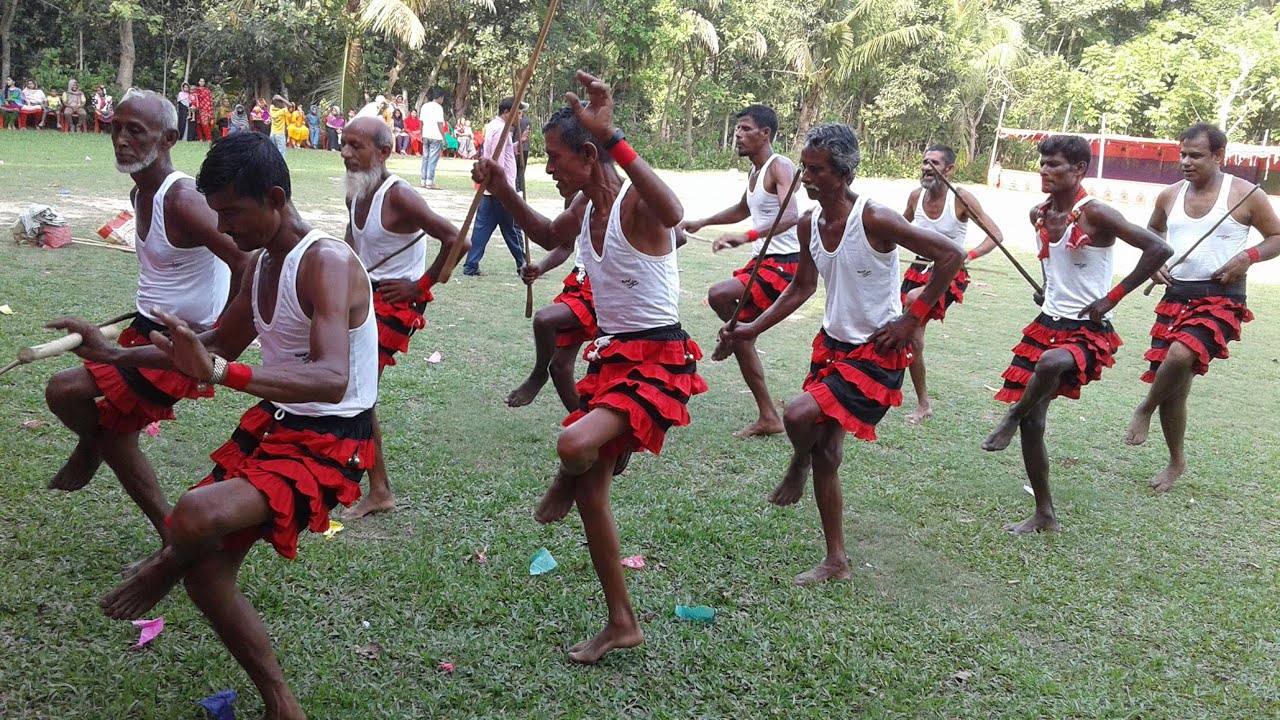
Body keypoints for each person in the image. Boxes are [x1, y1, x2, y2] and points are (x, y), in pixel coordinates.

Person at [52, 131, 377, 720]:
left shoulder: (326, 262)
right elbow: (215, 346)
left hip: (334, 441)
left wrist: (222, 371)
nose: (223, 230)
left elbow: (331, 378)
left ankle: (164, 563)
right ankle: (281, 701)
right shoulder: (259, 265)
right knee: (206, 577)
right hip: (278, 427)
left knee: (193, 518)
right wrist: (113, 353)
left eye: (232, 213)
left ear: (275, 197)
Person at [472, 71, 706, 664]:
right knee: (596, 494)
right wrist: (501, 186)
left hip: (658, 358)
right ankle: (622, 622)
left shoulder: (637, 205)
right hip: (614, 357)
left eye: (554, 157)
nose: (548, 167)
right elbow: (547, 232)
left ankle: (570, 473)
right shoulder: (582, 206)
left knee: (574, 444)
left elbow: (674, 208)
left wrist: (617, 136)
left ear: (588, 153)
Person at [718, 124, 962, 584]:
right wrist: (748, 328)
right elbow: (801, 288)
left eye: (816, 171)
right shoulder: (811, 222)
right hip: (832, 346)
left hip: (878, 351)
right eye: (804, 168)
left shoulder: (876, 218)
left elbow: (951, 255)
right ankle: (836, 560)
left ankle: (797, 462)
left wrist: (912, 319)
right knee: (828, 451)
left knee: (797, 416)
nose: (805, 179)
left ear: (844, 172)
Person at [43, 89, 245, 545]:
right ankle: (166, 528)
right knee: (86, 410)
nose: (120, 140)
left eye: (136, 131)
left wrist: (217, 334)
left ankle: (174, 538)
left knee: (71, 396)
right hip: (146, 329)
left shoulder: (183, 199)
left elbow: (247, 263)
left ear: (170, 138)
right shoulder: (141, 193)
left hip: (182, 340)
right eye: (116, 128)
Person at [982, 134, 1172, 534]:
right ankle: (1045, 515)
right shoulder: (1038, 213)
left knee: (1048, 368)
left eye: (1054, 164)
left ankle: (1012, 416)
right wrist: (1048, 288)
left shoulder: (1096, 213)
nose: (1044, 170)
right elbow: (1061, 264)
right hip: (1048, 324)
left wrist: (1113, 297)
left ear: (1079, 169)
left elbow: (1157, 248)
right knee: (1037, 426)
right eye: (1042, 164)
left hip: (1088, 330)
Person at [1125, 123, 1280, 492]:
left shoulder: (1245, 195)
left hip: (1222, 297)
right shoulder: (1169, 195)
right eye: (1182, 154)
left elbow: (1277, 236)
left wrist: (1249, 256)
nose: (1185, 162)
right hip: (1176, 295)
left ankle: (1143, 408)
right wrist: (1156, 259)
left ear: (1218, 157)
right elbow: (1153, 233)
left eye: (1196, 155)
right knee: (1175, 390)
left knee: (1178, 356)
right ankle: (1176, 461)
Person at [339, 117, 462, 519]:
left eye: (357, 147)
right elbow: (350, 244)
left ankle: (379, 489)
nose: (346, 154)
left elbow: (458, 239)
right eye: (344, 144)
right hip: (363, 298)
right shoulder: (355, 193)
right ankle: (360, 473)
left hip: (396, 306)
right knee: (350, 384)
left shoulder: (400, 196)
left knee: (359, 386)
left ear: (384, 153)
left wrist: (419, 285)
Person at [681, 104, 800, 437]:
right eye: (737, 129)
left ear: (765, 134)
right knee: (741, 335)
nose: (738, 135)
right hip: (764, 260)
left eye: (746, 129)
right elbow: (742, 208)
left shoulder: (780, 167)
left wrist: (745, 236)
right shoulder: (754, 172)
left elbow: (791, 215)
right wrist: (703, 221)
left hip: (785, 262)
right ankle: (768, 416)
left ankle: (734, 336)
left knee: (720, 295)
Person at [898, 144, 1003, 424]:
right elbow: (897, 228)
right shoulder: (915, 197)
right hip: (917, 270)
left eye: (934, 163)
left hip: (947, 273)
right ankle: (922, 403)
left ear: (949, 169)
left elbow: (995, 235)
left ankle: (917, 401)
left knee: (911, 305)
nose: (926, 167)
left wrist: (967, 255)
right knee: (912, 339)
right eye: (924, 162)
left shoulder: (960, 198)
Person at [463, 99, 526, 277]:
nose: (520, 117)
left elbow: (496, 153)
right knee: (512, 229)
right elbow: (495, 160)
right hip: (500, 189)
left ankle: (471, 265)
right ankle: (524, 264)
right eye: (518, 113)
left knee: (482, 228)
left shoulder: (494, 126)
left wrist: (515, 145)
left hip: (491, 189)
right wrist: (501, 188)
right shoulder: (502, 129)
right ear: (507, 112)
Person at [419, 89, 446, 188]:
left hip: (425, 135)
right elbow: (440, 124)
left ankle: (423, 180)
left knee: (425, 158)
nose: (442, 101)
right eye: (442, 98)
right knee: (432, 159)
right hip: (435, 136)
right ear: (440, 98)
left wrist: (421, 133)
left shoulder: (425, 106)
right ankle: (430, 181)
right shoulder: (439, 108)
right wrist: (444, 138)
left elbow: (421, 122)